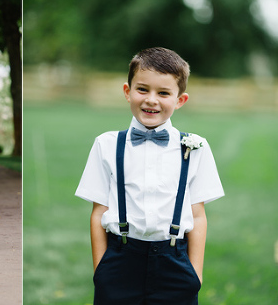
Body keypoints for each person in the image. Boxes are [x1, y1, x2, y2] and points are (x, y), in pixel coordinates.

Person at [75, 47, 224, 304]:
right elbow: (99, 212)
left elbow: (198, 216)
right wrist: (101, 271)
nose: (151, 100)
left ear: (180, 100)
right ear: (127, 91)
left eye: (163, 93)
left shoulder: (194, 147)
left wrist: (195, 275)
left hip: (174, 261)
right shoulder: (106, 144)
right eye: (142, 89)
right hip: (120, 259)